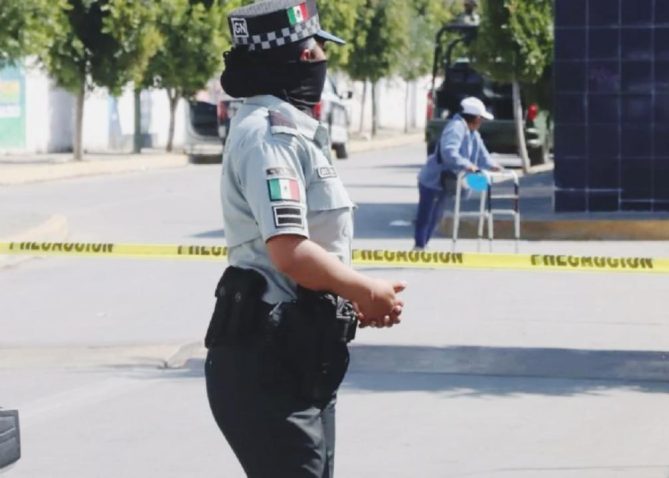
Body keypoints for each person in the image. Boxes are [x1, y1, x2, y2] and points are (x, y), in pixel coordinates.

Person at [204, 1, 406, 477]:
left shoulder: (290, 132)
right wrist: (364, 289)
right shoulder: (269, 137)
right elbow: (289, 252)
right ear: (296, 59)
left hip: (300, 355)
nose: (322, 62)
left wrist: (348, 292)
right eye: (316, 53)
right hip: (267, 359)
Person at [414, 96, 502, 250]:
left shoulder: (473, 133)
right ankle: (420, 246)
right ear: (475, 118)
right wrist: (467, 165)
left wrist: (493, 166)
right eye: (481, 119)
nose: (481, 122)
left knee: (436, 215)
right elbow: (449, 152)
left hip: (447, 180)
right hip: (433, 179)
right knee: (427, 215)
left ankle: (423, 246)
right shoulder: (456, 127)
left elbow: (482, 155)